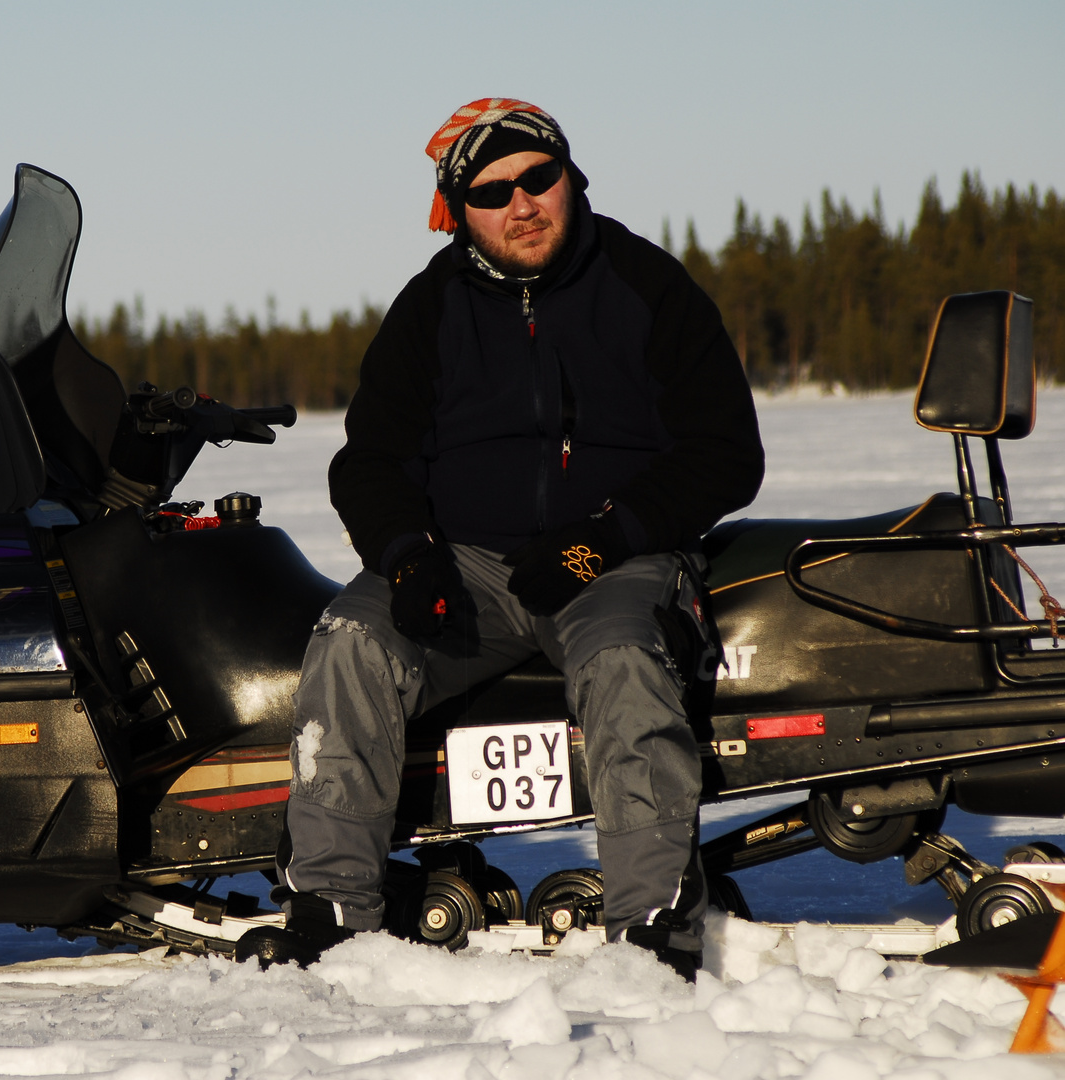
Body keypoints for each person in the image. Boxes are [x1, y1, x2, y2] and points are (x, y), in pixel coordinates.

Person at [236, 98, 763, 977]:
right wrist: (407, 556)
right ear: (458, 211)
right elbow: (370, 461)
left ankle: (650, 924)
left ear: (570, 178)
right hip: (469, 563)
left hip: (615, 559)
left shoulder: (645, 285)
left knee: (626, 659)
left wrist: (603, 537)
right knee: (351, 640)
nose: (522, 204)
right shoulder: (428, 308)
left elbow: (722, 454)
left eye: (538, 178)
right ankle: (332, 906)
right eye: (491, 192)